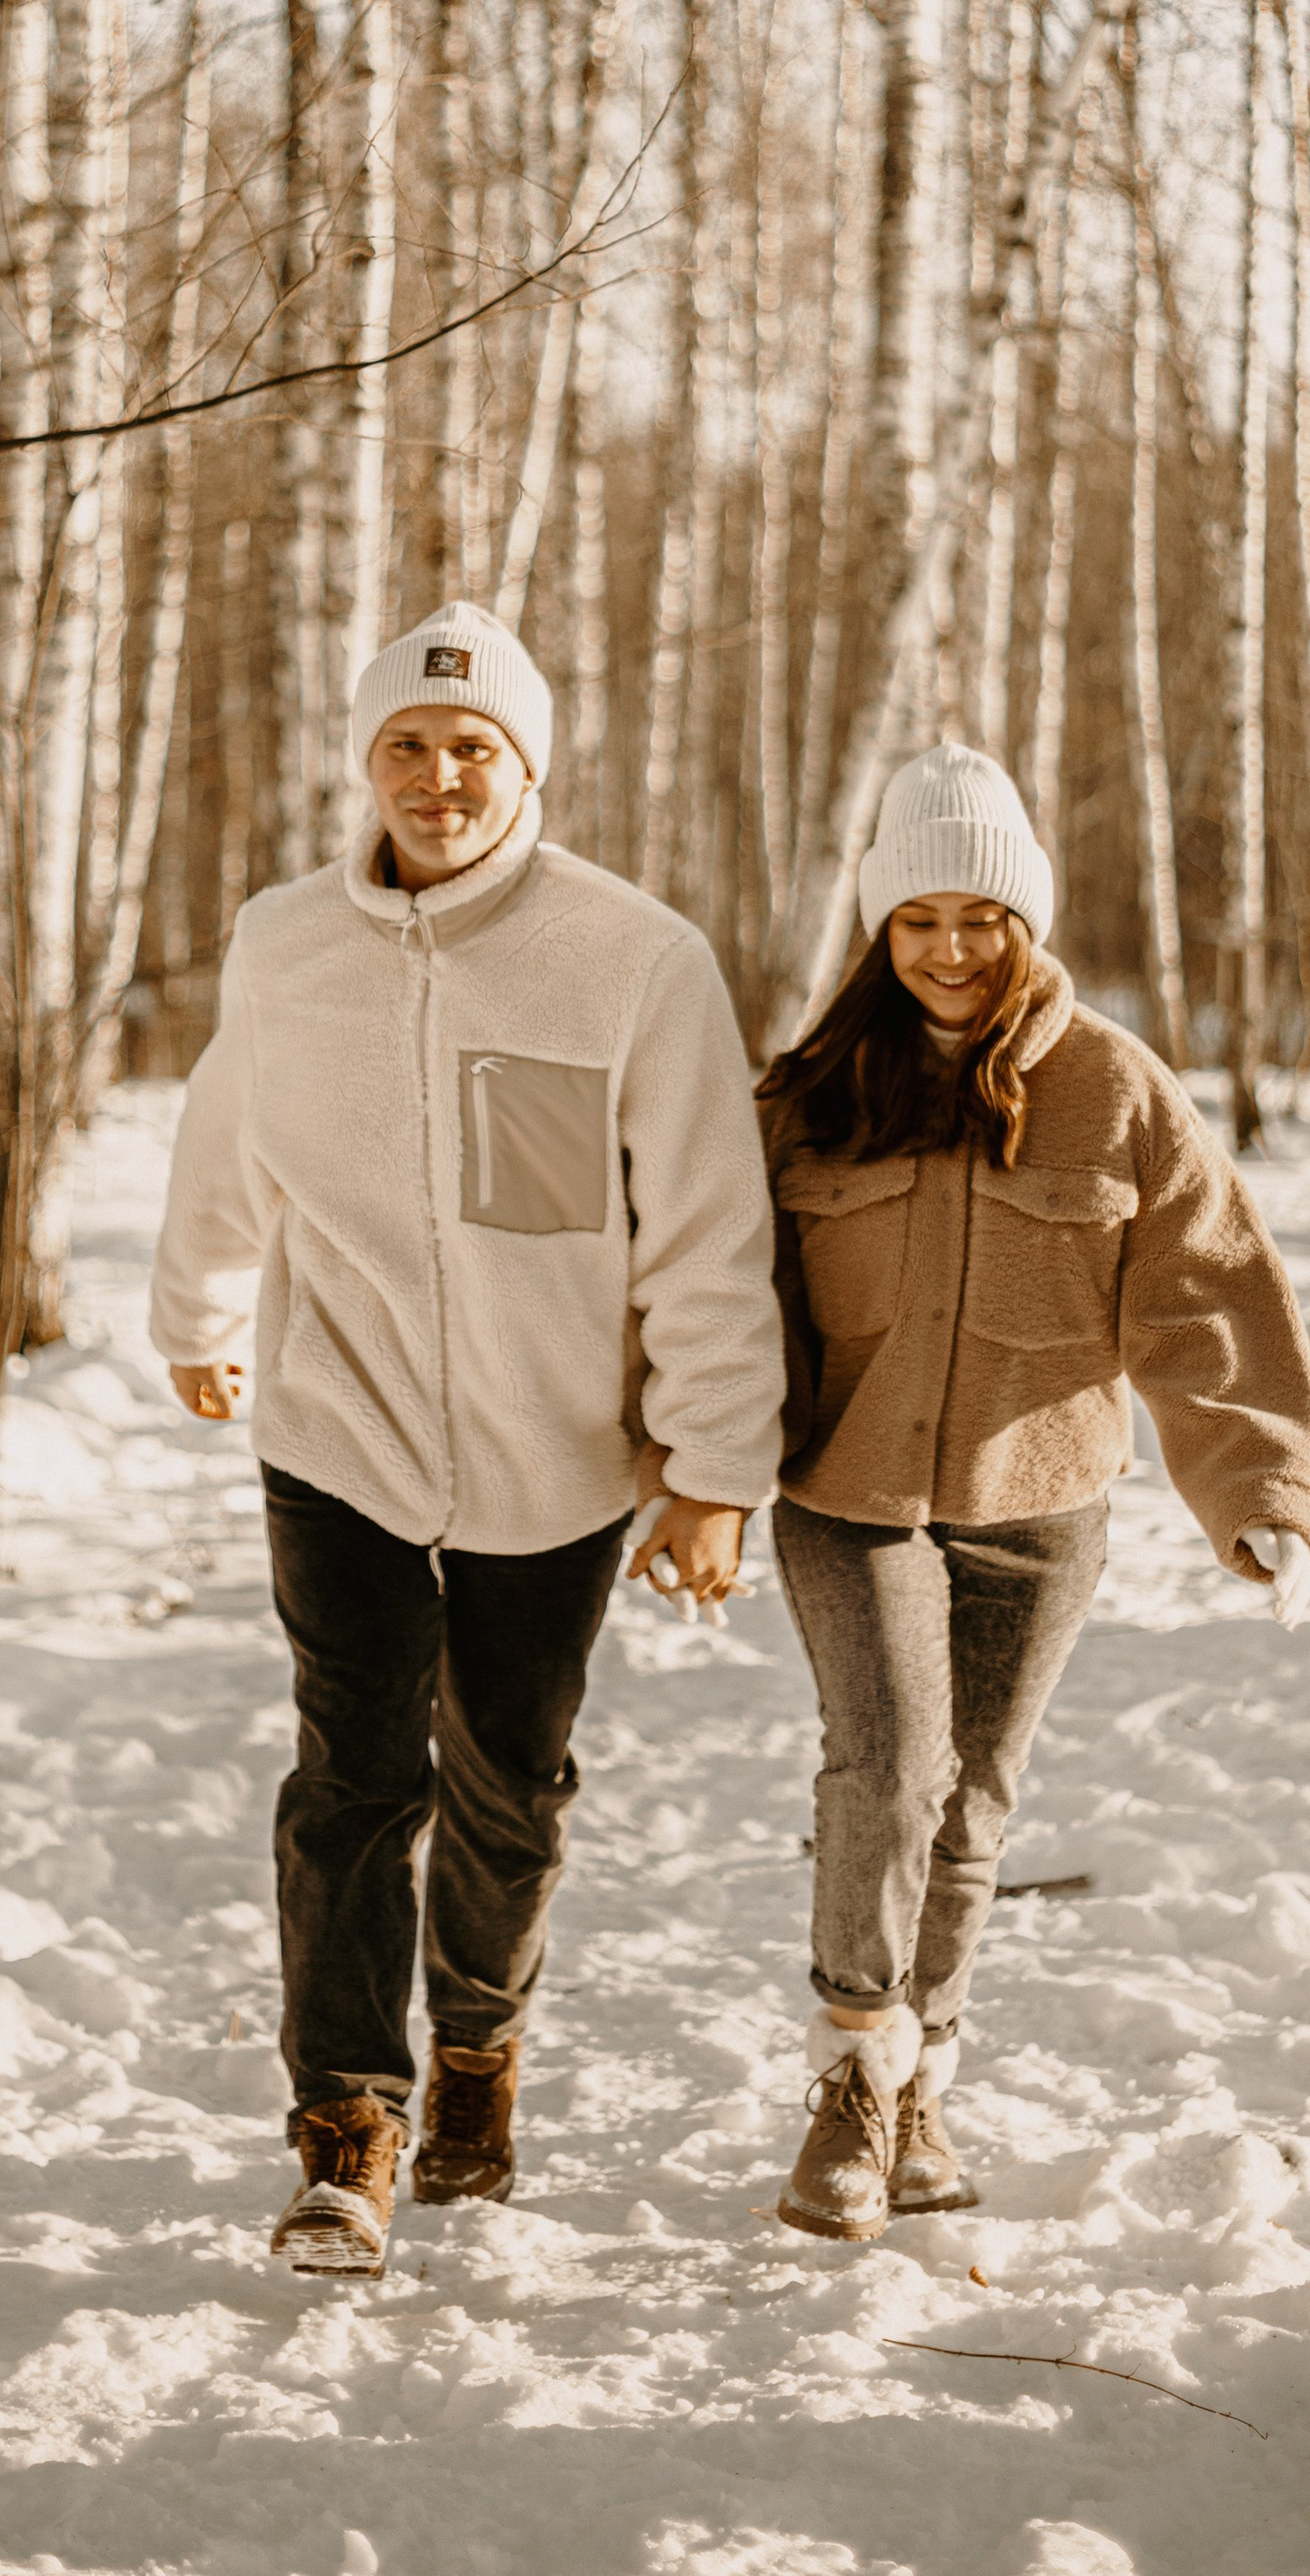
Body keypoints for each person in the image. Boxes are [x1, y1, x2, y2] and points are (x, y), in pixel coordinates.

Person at [149, 600, 784, 2277]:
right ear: (368, 764)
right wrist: (200, 1315)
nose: (440, 777)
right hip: (335, 1420)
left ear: (529, 768)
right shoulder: (285, 943)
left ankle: (479, 2049)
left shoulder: (632, 957)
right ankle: (345, 2119)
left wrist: (716, 1466)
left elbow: (707, 1229)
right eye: (408, 748)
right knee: (350, 1775)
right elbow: (227, 1134)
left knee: (507, 1779)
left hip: (552, 1445)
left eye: (474, 748)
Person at [757, 743, 1310, 2243]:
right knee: (887, 1770)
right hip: (849, 1487)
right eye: (919, 920)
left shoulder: (1115, 1089)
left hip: (1041, 1498)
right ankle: (849, 2079)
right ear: (882, 933)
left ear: (1031, 922)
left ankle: (923, 2079)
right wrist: (686, 1474)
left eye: (983, 918)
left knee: (977, 1801)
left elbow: (1205, 1296)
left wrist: (1261, 1485)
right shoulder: (813, 1092)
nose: (952, 951)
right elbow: (720, 1295)